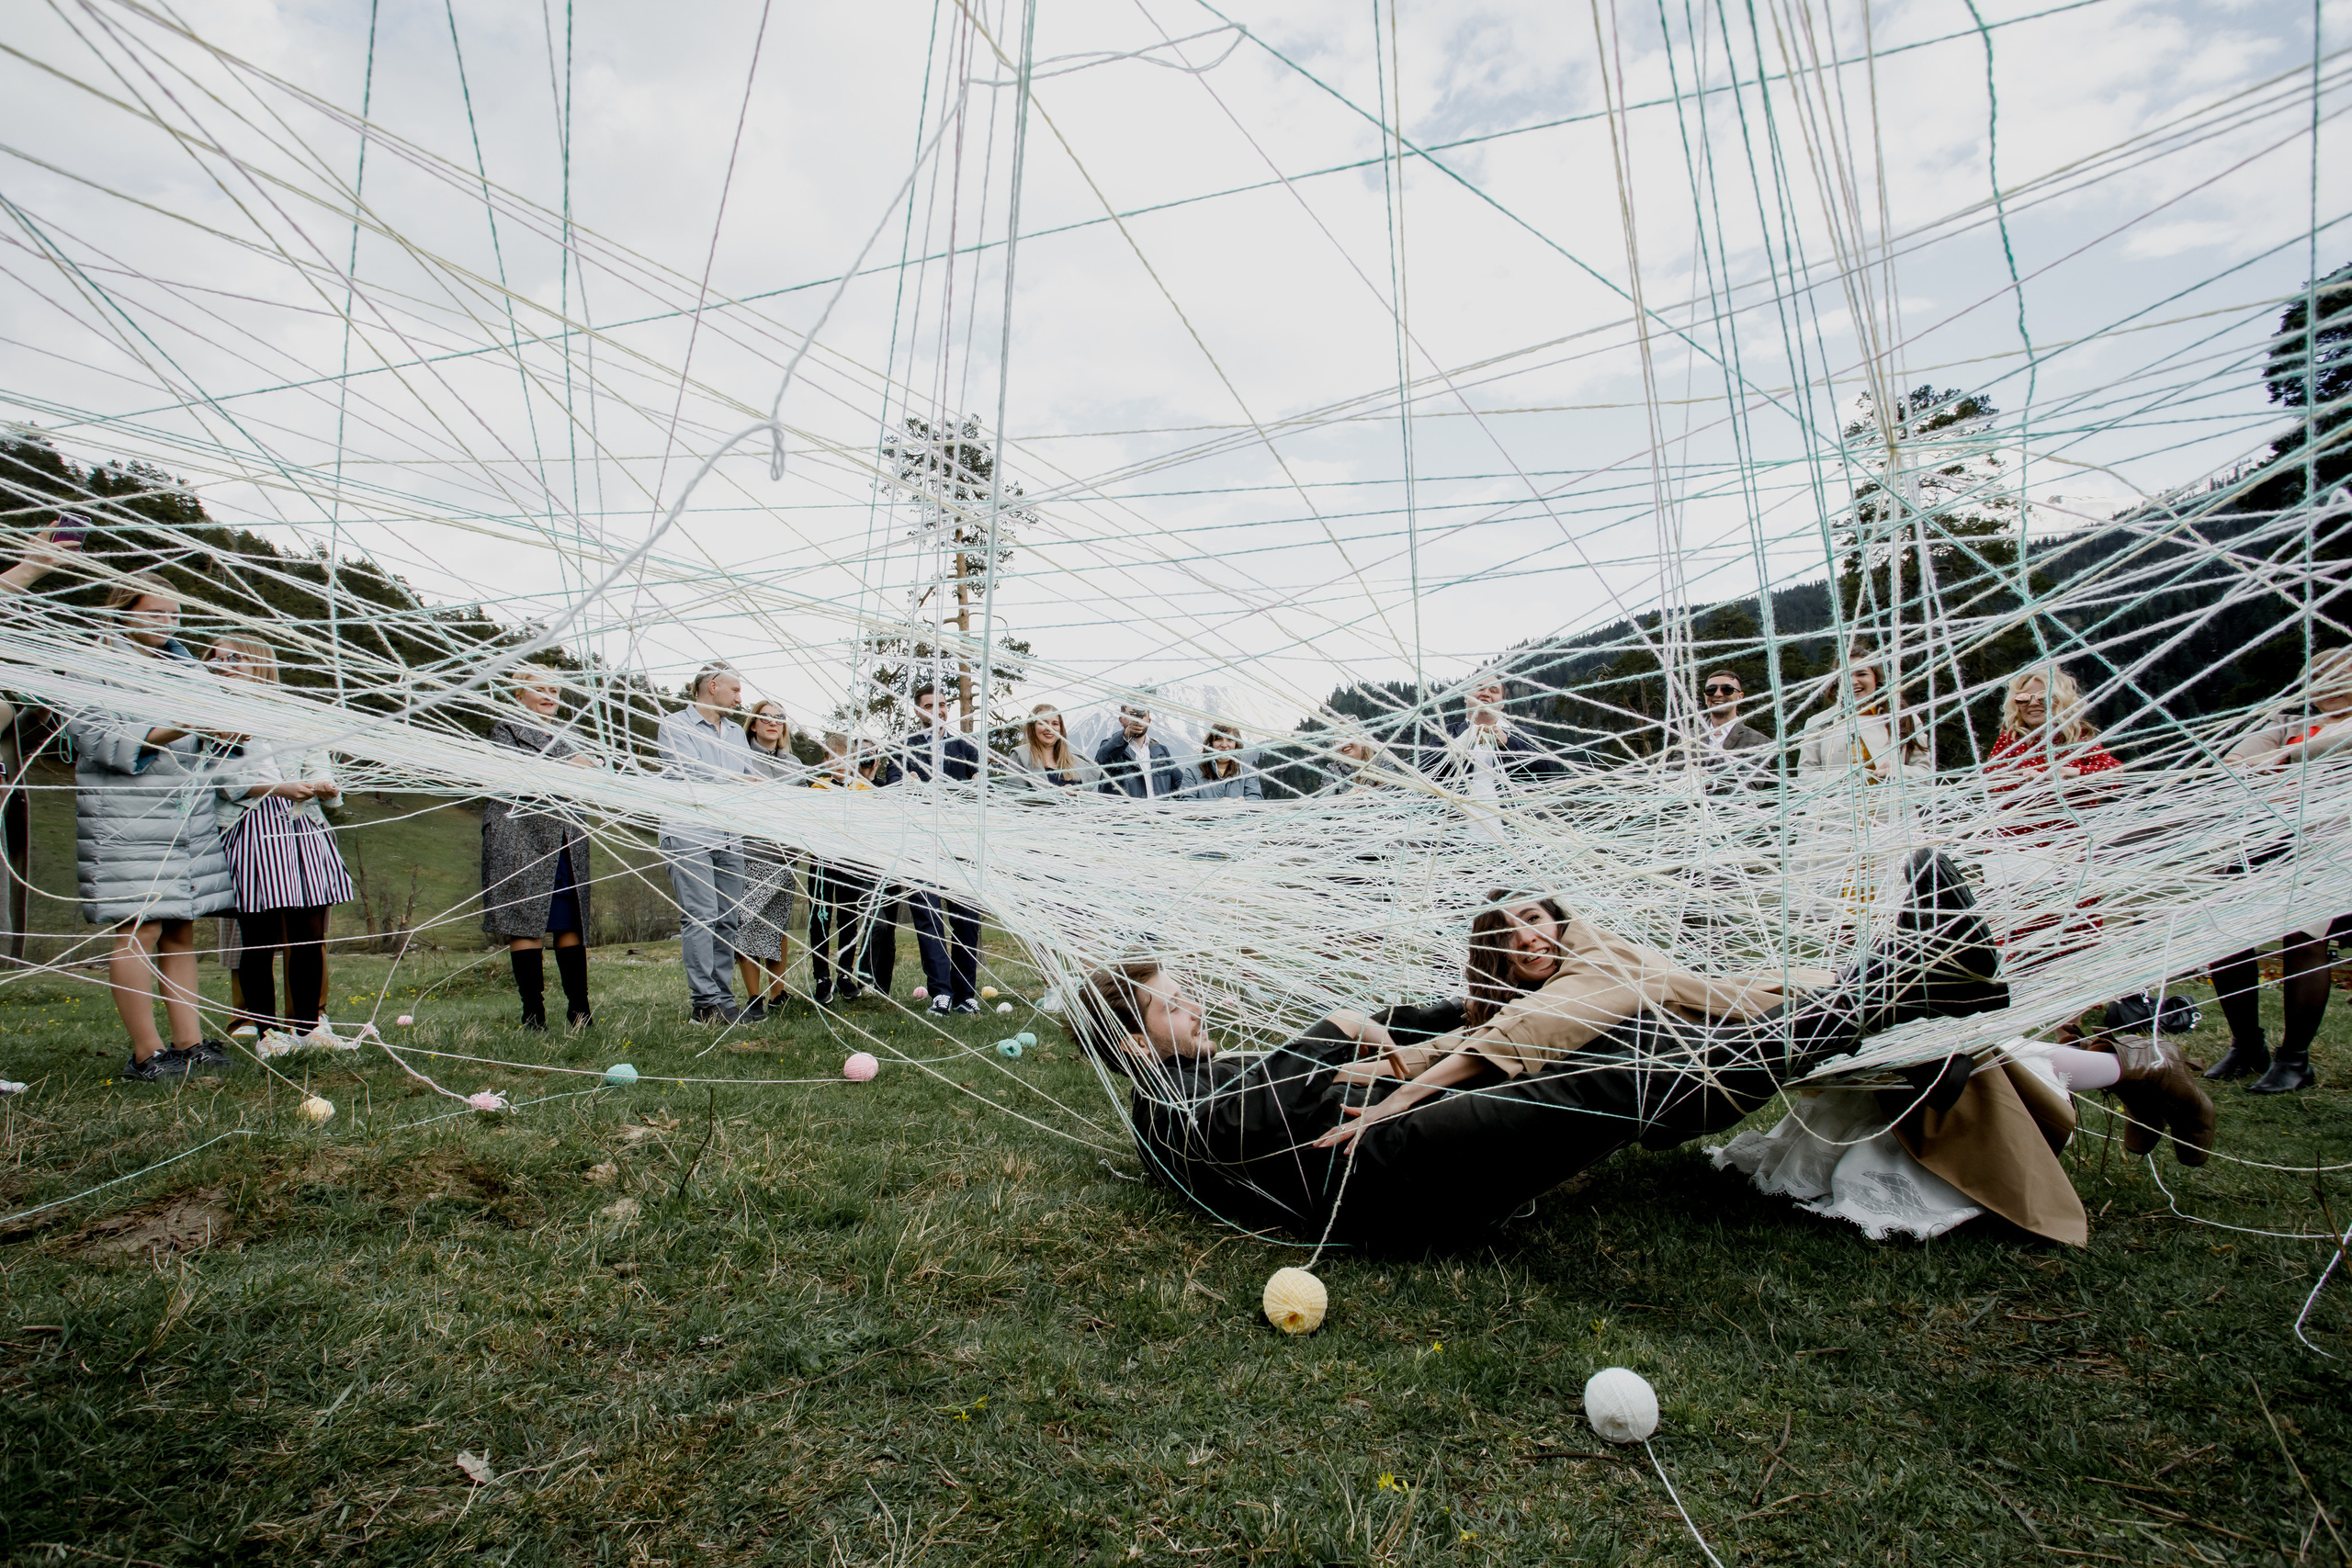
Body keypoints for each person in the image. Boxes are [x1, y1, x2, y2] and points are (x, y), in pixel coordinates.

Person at [1070, 852, 2169, 1250]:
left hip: (1380, 1150)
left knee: (1638, 1038)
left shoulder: (1206, 1073)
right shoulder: (1171, 1104)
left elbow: (1412, 1030)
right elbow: (1231, 1129)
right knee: (1617, 1081)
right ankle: (1905, 985)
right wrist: (1337, 1054)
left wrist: (1412, 1026)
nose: (1195, 1001)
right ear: (1135, 1036)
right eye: (1175, 1000)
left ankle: (1905, 990)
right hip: (1372, 1184)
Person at [63, 574, 236, 1080]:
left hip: (186, 817)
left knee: (181, 929)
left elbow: (211, 739)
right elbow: (101, 740)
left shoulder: (187, 668)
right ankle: (146, 1053)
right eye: (154, 613)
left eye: (174, 615)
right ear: (123, 610)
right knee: (141, 929)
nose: (167, 623)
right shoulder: (90, 666)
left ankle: (190, 1043)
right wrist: (191, 722)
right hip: (128, 819)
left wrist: (226, 731)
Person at [2201, 646, 2352, 1093]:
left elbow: (2336, 742)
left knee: (2303, 933)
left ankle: (2294, 1061)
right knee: (2217, 928)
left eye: (2341, 675)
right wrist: (2269, 757)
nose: (2331, 686)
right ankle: (2248, 1045)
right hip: (2273, 840)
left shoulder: (2311, 733)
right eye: (2321, 677)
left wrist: (2284, 759)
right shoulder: (2288, 721)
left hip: (2335, 850)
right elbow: (2233, 760)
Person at [206, 636, 355, 1047]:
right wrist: (282, 788)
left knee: (309, 930)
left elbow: (318, 759)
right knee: (259, 936)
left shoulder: (293, 714)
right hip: (251, 828)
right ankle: (267, 1032)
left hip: (302, 826)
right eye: (215, 659)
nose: (222, 664)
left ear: (259, 663)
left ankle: (309, 1028)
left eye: (233, 658)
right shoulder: (208, 715)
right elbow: (226, 780)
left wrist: (324, 785)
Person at [481, 664, 598, 1029]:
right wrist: (567, 767)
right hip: (520, 838)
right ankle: (533, 1013)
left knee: (570, 920)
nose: (551, 698)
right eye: (542, 690)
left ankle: (580, 1009)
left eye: (556, 692)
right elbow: (514, 777)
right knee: (525, 922)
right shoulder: (506, 730)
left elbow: (590, 774)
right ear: (520, 695)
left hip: (565, 839)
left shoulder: (572, 734)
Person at [656, 661, 758, 1024]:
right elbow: (691, 774)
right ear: (712, 687)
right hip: (689, 834)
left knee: (728, 919)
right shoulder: (674, 725)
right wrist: (740, 782)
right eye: (734, 689)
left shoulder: (734, 733)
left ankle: (724, 999)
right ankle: (705, 1003)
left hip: (730, 837)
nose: (739, 696)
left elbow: (748, 776)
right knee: (701, 917)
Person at [902, 682, 984, 1014]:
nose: (939, 710)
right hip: (921, 845)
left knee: (966, 918)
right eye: (931, 704)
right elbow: (895, 779)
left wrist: (979, 784)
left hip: (961, 843)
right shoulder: (904, 746)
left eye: (944, 704)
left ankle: (966, 994)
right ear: (918, 709)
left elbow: (985, 783)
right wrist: (904, 782)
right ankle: (941, 993)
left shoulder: (965, 745)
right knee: (928, 918)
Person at [802, 733, 896, 1004]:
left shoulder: (865, 791)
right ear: (826, 760)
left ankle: (844, 974)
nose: (840, 763)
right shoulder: (815, 789)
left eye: (847, 758)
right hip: (820, 867)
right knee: (819, 919)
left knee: (848, 920)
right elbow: (806, 828)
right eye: (834, 757)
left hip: (850, 867)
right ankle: (822, 977)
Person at [735, 698, 803, 1021]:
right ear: (753, 723)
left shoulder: (795, 765)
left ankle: (779, 994)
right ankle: (753, 998)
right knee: (746, 926)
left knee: (776, 927)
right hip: (752, 855)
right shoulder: (739, 757)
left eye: (779, 717)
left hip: (786, 860)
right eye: (766, 718)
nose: (773, 723)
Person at [1798, 645, 1929, 783]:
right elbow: (1806, 777)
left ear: (1876, 679)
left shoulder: (1904, 718)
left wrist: (1899, 771)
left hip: (1892, 803)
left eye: (1862, 674)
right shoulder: (1819, 723)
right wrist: (1846, 776)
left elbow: (1925, 774)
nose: (1854, 682)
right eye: (1846, 676)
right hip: (1842, 804)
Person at [1426, 674, 1555, 796]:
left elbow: (1549, 770)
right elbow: (1425, 770)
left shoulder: (1525, 735)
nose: (1486, 694)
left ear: (1502, 703)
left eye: (1493, 691)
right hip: (1457, 818)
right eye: (1480, 688)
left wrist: (1508, 742)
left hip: (1512, 817)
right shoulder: (1445, 733)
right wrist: (1459, 749)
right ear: (1466, 697)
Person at [1668, 669, 1772, 790]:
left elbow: (1752, 786)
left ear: (1740, 696)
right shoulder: (1688, 736)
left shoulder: (1759, 741)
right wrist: (1684, 777)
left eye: (1727, 689)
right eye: (1711, 690)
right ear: (1705, 696)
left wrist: (1712, 783)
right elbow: (1671, 778)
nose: (1718, 694)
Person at [1096, 703, 1187, 801]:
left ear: (1149, 721)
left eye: (1141, 715)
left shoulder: (1161, 751)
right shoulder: (1111, 746)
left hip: (1156, 815)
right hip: (1124, 816)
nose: (1137, 720)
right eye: (1131, 715)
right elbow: (1101, 760)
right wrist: (1125, 735)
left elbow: (1180, 784)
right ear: (1121, 720)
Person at [1005, 703, 1102, 790]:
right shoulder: (1020, 756)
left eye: (1055, 724)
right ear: (1032, 727)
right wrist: (1060, 793)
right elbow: (1017, 798)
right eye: (1043, 723)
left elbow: (1094, 775)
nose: (1049, 728)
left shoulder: (1074, 762)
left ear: (1060, 729)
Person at [1182, 721, 1262, 801]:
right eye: (1219, 739)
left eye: (1230, 740)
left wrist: (1242, 801)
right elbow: (1186, 802)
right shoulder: (1192, 773)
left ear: (1236, 744)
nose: (1224, 745)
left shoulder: (1248, 773)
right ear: (1211, 743)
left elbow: (1256, 800)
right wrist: (1218, 805)